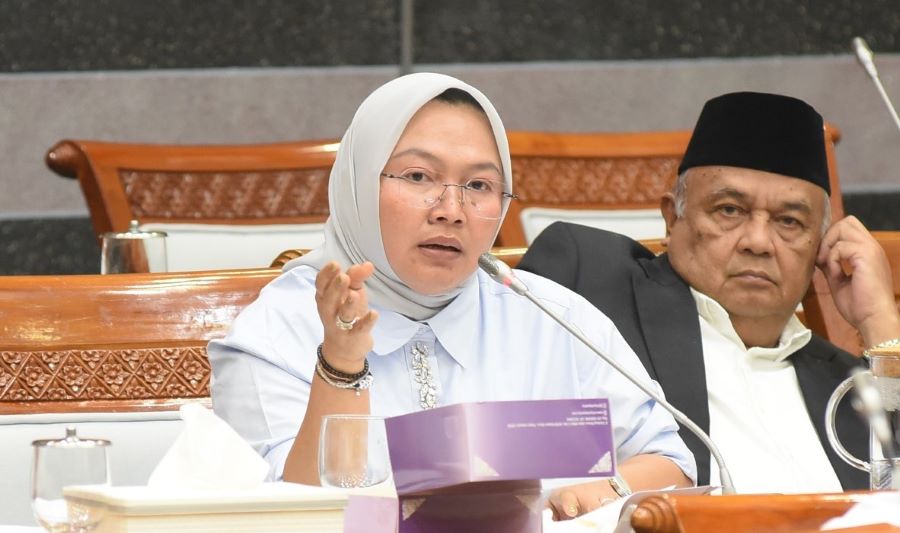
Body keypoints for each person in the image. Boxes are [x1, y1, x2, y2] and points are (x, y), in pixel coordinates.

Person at [208, 72, 696, 519]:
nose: (451, 210)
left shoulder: (552, 318)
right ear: (359, 181)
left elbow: (672, 462)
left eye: (479, 185)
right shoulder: (275, 331)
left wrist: (610, 487)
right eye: (419, 176)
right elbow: (292, 515)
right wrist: (341, 364)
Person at [519, 91, 900, 493]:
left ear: (819, 246)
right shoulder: (594, 284)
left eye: (789, 221)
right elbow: (518, 449)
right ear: (672, 219)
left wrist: (880, 321)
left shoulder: (850, 381)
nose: (758, 242)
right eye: (729, 210)